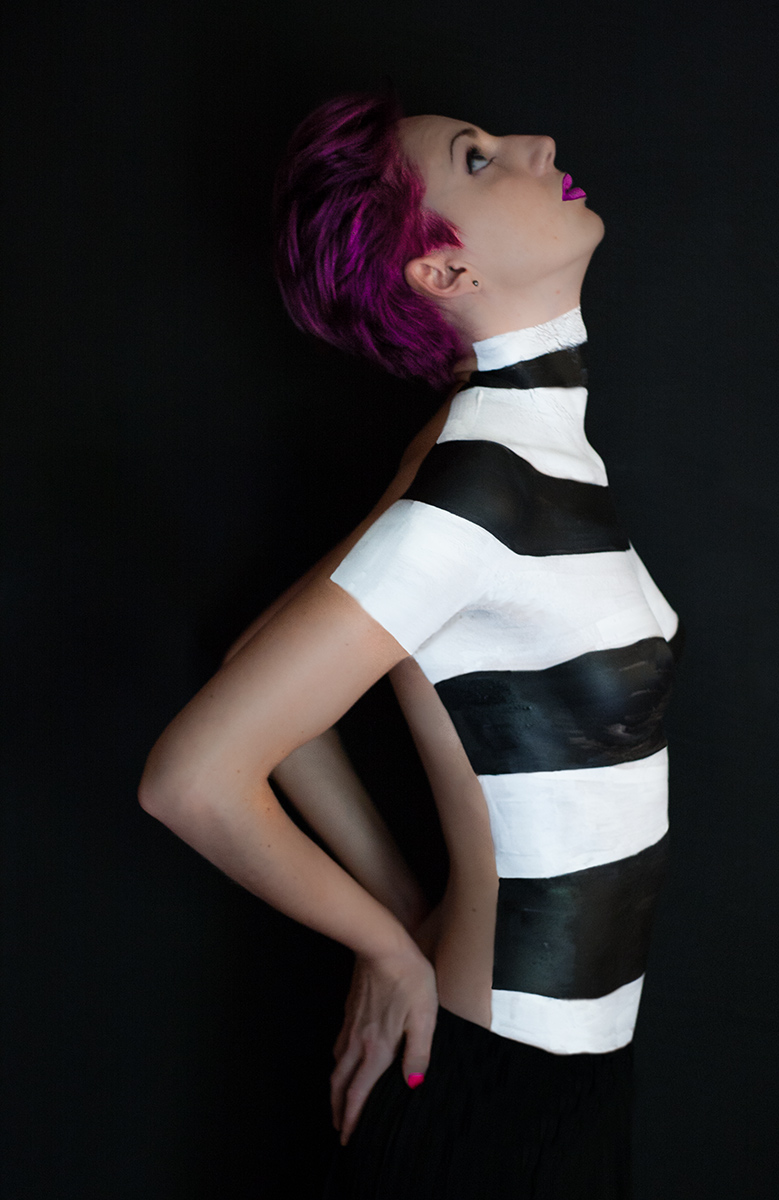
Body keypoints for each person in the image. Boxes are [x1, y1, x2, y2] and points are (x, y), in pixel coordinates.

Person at [139, 91, 680, 1198]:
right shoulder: (479, 483)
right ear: (442, 270)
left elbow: (262, 657)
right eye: (479, 160)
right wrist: (385, 947)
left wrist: (400, 906)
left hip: (572, 1081)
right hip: (498, 1097)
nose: (537, 146)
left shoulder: (493, 447)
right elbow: (193, 777)